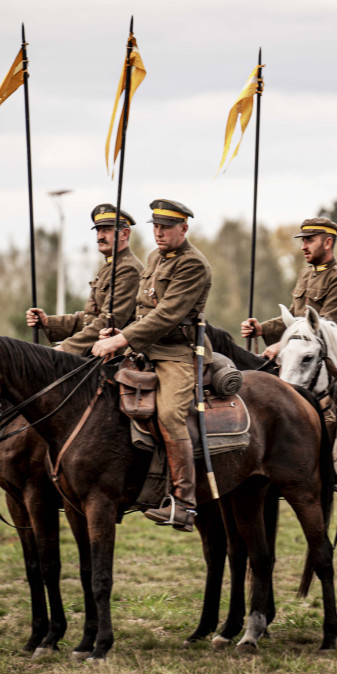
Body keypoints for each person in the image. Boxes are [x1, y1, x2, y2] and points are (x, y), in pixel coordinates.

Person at [91, 199, 212, 532]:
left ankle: (184, 504)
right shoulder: (154, 257)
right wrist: (120, 332)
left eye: (166, 227)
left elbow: (166, 315)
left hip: (177, 352)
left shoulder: (193, 264)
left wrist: (120, 341)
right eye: (155, 226)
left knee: (170, 414)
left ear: (183, 229)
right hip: (145, 348)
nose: (159, 233)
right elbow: (144, 310)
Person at [25, 204, 143, 355]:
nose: (100, 236)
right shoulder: (109, 266)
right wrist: (48, 322)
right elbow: (89, 318)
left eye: (107, 230)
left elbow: (108, 322)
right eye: (98, 230)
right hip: (98, 349)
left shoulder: (128, 269)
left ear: (125, 234)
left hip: (117, 354)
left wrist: (64, 350)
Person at [241, 217, 337, 359]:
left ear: (328, 243)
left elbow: (324, 327)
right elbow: (293, 317)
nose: (303, 246)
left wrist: (281, 345)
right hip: (300, 354)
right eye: (303, 241)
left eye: (310, 240)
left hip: (326, 359)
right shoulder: (305, 273)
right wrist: (261, 329)